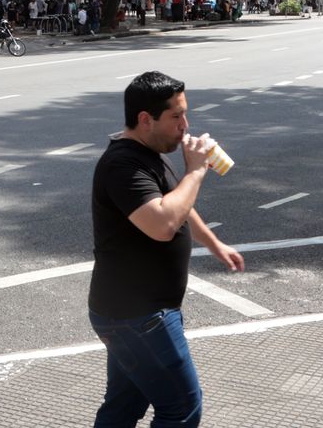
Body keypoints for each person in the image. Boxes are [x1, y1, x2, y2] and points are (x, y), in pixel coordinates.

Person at [89, 72, 243, 428]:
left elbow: (178, 204)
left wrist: (214, 243)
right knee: (182, 409)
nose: (185, 125)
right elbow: (162, 224)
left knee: (123, 406)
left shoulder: (151, 152)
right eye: (176, 116)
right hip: (139, 317)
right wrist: (197, 170)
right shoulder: (123, 165)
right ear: (146, 119)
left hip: (131, 313)